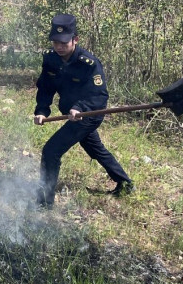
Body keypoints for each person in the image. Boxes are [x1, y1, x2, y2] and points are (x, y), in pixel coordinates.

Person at [33, 13, 134, 207]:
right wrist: (42, 110)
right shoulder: (51, 59)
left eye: (64, 43)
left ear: (75, 39)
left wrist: (79, 107)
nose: (59, 47)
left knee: (51, 151)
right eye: (55, 42)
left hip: (89, 114)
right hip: (72, 115)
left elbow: (100, 95)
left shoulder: (88, 63)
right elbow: (45, 87)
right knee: (96, 149)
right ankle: (125, 183)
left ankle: (44, 202)